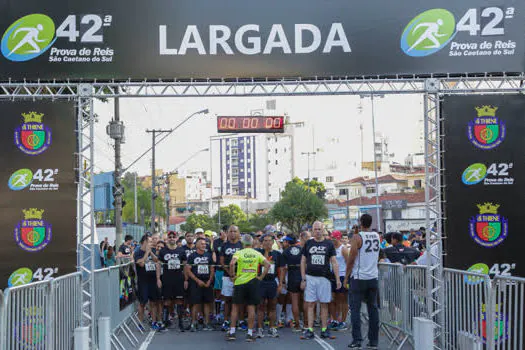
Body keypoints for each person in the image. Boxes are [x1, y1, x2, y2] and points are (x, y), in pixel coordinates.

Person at [226, 234, 271, 342]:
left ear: (242, 243)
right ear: (252, 243)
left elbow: (232, 264)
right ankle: (250, 334)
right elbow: (268, 264)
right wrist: (261, 277)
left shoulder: (239, 252)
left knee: (235, 307)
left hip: (240, 282)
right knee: (251, 308)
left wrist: (232, 276)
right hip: (253, 283)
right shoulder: (256, 253)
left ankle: (232, 332)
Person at [345, 214, 380, 349]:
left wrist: (347, 277)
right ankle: (373, 341)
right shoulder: (376, 236)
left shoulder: (357, 237)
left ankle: (357, 340)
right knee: (373, 309)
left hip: (359, 278)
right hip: (373, 277)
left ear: (360, 223)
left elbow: (351, 258)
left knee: (355, 309)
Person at [300, 221, 340, 340]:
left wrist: (337, 279)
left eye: (319, 229)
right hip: (310, 277)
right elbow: (303, 261)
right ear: (312, 230)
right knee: (310, 304)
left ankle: (324, 329)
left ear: (323, 230)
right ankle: (310, 330)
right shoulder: (308, 243)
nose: (317, 231)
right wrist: (303, 278)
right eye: (315, 229)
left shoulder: (329, 244)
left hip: (324, 278)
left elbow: (334, 262)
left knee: (324, 304)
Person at [134, 234, 165, 332]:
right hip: (143, 281)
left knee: (154, 302)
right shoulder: (138, 252)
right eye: (150, 241)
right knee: (142, 303)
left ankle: (154, 322)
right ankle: (140, 323)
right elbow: (141, 264)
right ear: (144, 242)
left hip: (152, 280)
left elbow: (157, 261)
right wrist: (146, 253)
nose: (152, 243)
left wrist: (150, 252)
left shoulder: (153, 251)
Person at [256, 234, 284, 338]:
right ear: (262, 243)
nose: (267, 243)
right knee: (260, 306)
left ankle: (272, 328)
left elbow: (281, 269)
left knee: (272, 306)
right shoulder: (258, 253)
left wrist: (280, 284)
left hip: (272, 282)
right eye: (265, 241)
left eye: (269, 241)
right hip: (261, 282)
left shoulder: (277, 254)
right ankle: (260, 328)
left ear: (273, 242)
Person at [158, 231, 187, 331]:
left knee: (179, 301)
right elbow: (158, 265)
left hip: (179, 279)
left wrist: (186, 279)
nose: (171, 238)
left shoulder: (181, 251)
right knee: (167, 301)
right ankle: (165, 322)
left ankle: (180, 323)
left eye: (173, 237)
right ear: (167, 239)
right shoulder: (162, 251)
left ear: (176, 238)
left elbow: (185, 266)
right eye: (169, 237)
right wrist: (158, 278)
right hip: (167, 279)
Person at [186, 237, 215, 332]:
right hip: (195, 282)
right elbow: (188, 270)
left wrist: (210, 280)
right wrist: (197, 280)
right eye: (202, 243)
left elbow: (212, 268)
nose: (204, 245)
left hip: (207, 281)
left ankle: (207, 323)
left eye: (205, 243)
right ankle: (194, 323)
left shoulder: (208, 255)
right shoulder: (192, 256)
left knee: (207, 303)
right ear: (197, 245)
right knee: (195, 303)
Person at [220, 225, 243, 331]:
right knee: (227, 299)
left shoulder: (242, 245)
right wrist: (231, 273)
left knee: (241, 300)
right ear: (228, 233)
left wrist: (238, 274)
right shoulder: (224, 245)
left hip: (241, 276)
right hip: (227, 276)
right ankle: (226, 320)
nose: (233, 233)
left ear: (238, 233)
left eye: (235, 231)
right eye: (231, 231)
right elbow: (222, 262)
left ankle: (241, 320)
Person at [282, 234, 304, 332]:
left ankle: (298, 325)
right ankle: (307, 324)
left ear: (287, 242)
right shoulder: (302, 249)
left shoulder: (285, 251)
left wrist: (283, 281)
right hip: (302, 275)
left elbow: (283, 268)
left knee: (294, 301)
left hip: (292, 276)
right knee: (305, 302)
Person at [329, 230, 349, 331]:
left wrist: (346, 278)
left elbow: (349, 264)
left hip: (342, 275)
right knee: (332, 299)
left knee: (343, 299)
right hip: (332, 276)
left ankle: (343, 321)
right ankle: (335, 320)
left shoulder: (343, 249)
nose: (332, 240)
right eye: (331, 238)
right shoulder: (330, 248)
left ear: (338, 238)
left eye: (334, 238)